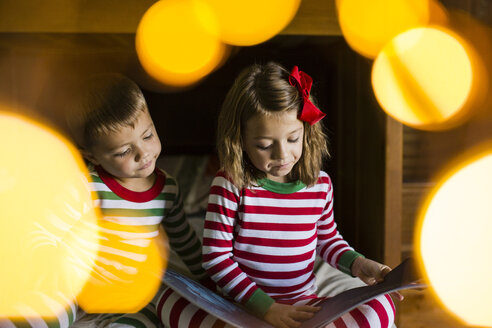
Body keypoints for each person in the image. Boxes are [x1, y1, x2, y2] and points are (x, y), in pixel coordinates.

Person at [199, 62, 398, 328]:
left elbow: (326, 240)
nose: (282, 155)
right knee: (169, 301)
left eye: (293, 139)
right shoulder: (231, 184)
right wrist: (267, 309)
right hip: (241, 307)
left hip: (301, 307)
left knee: (382, 307)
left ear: (307, 131)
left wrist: (360, 264)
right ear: (240, 140)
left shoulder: (320, 185)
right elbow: (215, 257)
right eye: (264, 145)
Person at [64, 73, 211, 327]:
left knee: (146, 320)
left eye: (148, 136)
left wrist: (209, 281)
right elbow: (52, 233)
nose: (143, 154)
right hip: (77, 287)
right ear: (93, 156)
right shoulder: (86, 185)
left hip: (129, 293)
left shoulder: (167, 190)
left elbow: (183, 238)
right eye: (123, 151)